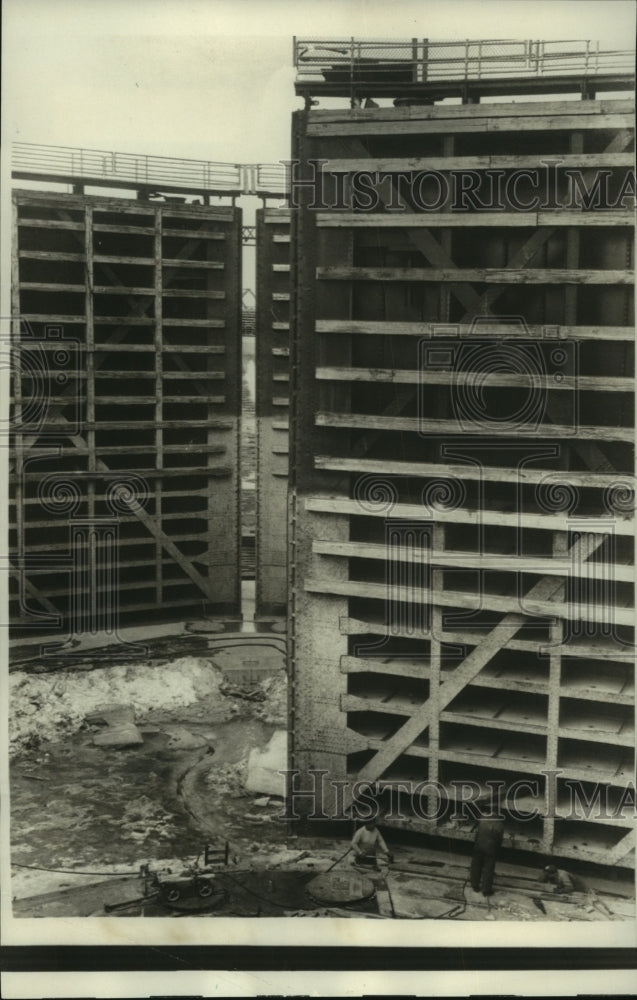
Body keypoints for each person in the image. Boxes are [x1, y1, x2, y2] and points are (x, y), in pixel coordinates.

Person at [470, 814, 505, 897]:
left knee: (476, 865)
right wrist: (496, 850)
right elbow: (499, 840)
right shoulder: (499, 825)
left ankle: (475, 886)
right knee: (488, 869)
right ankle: (486, 890)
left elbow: (477, 834)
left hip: (479, 846)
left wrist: (476, 844)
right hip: (490, 848)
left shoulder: (482, 819)